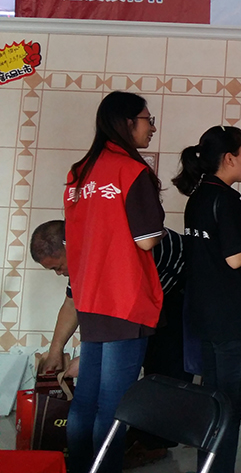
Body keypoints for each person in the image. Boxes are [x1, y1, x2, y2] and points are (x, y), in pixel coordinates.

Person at [30, 220, 189, 468]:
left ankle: (153, 443)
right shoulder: (84, 256)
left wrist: (90, 359)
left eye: (58, 267)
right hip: (139, 297)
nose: (59, 274)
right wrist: (55, 351)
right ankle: (128, 440)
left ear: (69, 248)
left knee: (163, 372)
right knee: (113, 389)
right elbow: (72, 303)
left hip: (180, 288)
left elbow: (120, 320)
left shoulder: (112, 253)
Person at [62, 91, 164, 473]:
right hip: (124, 296)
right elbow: (147, 240)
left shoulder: (79, 172)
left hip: (90, 296)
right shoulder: (131, 170)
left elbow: (77, 234)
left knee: (86, 398)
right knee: (114, 404)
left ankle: (80, 468)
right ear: (127, 122)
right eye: (148, 120)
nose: (152, 128)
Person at [172, 125, 241, 473]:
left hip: (203, 313)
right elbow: (235, 258)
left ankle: (207, 466)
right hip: (231, 316)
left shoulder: (198, 197)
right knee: (231, 401)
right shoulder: (227, 200)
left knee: (212, 398)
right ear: (230, 158)